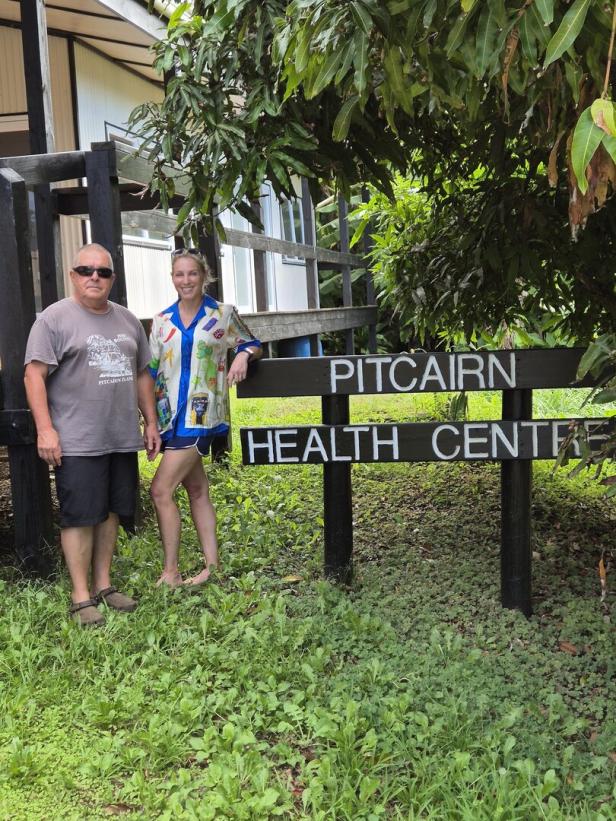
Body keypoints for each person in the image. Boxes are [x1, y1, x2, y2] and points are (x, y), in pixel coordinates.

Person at [24, 243, 161, 627]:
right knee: (80, 516)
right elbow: (33, 375)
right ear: (73, 275)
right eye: (86, 270)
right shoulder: (54, 319)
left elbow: (141, 374)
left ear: (112, 278)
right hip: (76, 439)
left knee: (111, 512)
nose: (94, 277)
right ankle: (80, 596)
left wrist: (149, 422)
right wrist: (45, 429)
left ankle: (103, 585)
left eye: (102, 272)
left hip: (119, 435)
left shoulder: (128, 320)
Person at [149, 248, 262, 588]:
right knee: (197, 490)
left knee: (160, 490)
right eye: (179, 274)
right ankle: (213, 568)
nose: (186, 280)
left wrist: (242, 356)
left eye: (192, 274)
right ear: (172, 278)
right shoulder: (161, 320)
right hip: (170, 418)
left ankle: (170, 572)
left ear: (204, 276)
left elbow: (252, 342)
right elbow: (151, 369)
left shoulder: (222, 314)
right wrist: (149, 420)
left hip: (202, 417)